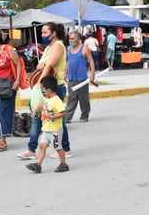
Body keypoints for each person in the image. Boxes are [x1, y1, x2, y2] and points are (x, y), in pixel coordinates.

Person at [18, 22, 73, 160]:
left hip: (55, 87)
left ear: (53, 33)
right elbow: (41, 65)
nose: (42, 35)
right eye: (42, 32)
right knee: (37, 117)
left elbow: (49, 65)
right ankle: (31, 149)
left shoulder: (58, 46)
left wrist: (39, 86)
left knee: (57, 120)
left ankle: (65, 149)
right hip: (46, 86)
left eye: (45, 33)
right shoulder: (50, 47)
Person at [25, 75, 69, 173]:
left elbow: (63, 112)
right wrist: (37, 112)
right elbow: (44, 110)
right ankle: (38, 165)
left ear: (49, 90)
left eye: (43, 90)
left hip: (55, 130)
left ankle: (63, 164)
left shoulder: (56, 100)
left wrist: (53, 117)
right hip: (46, 129)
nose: (42, 92)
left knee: (58, 148)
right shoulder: (47, 99)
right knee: (42, 146)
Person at [65, 30, 95, 123]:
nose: (71, 40)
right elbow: (68, 61)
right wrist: (65, 73)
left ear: (78, 39)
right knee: (71, 98)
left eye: (72, 38)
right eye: (70, 39)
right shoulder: (69, 48)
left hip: (82, 78)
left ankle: (84, 116)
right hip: (71, 77)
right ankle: (68, 117)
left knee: (83, 98)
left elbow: (91, 61)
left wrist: (92, 74)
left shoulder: (84, 48)